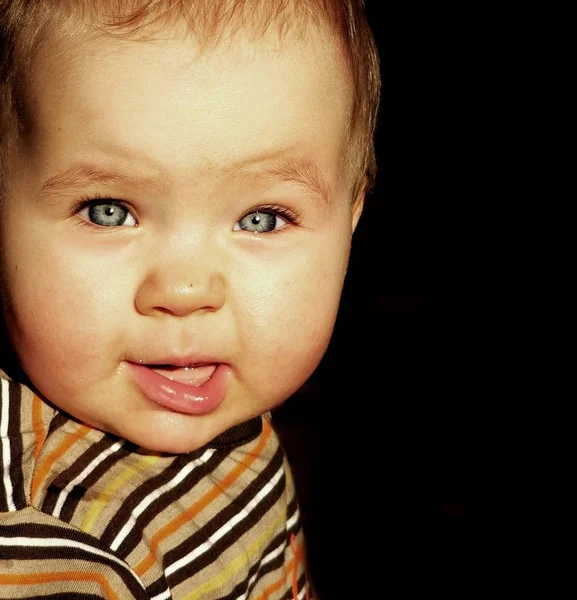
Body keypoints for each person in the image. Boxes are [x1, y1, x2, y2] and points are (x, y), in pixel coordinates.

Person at [0, 0, 380, 597]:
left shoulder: (237, 423)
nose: (185, 292)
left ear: (350, 219)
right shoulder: (44, 544)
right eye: (109, 211)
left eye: (261, 219)